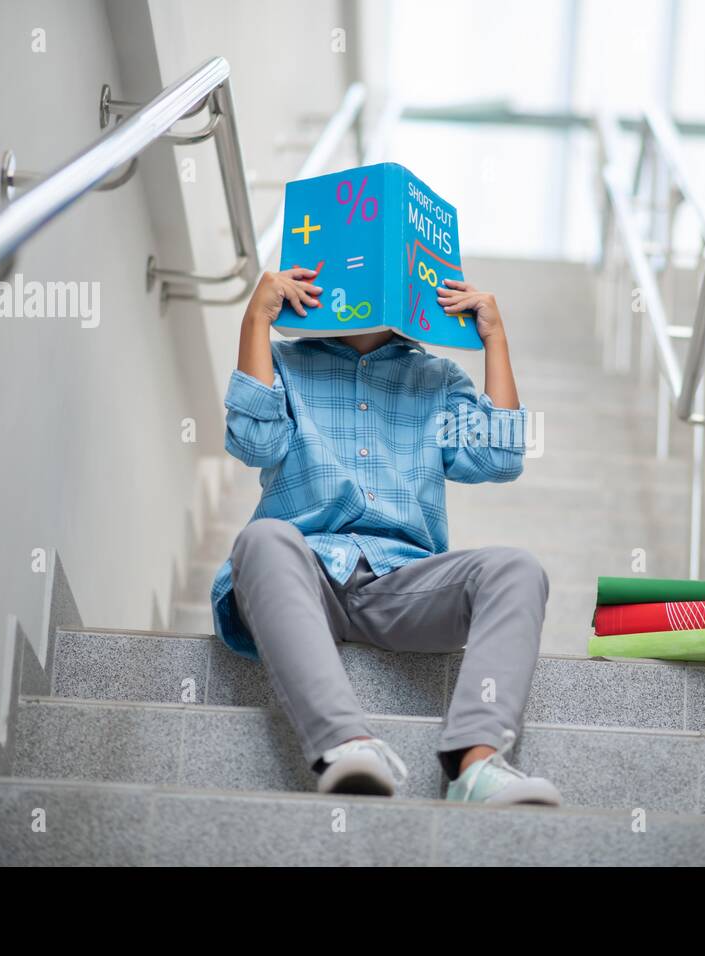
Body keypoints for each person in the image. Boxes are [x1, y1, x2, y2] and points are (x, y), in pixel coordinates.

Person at [209, 266, 561, 806]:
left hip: (403, 584)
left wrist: (494, 338)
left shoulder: (438, 379)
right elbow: (254, 443)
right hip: (302, 572)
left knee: (517, 567)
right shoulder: (287, 363)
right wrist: (256, 319)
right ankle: (347, 745)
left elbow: (499, 457)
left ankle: (478, 764)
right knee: (261, 539)